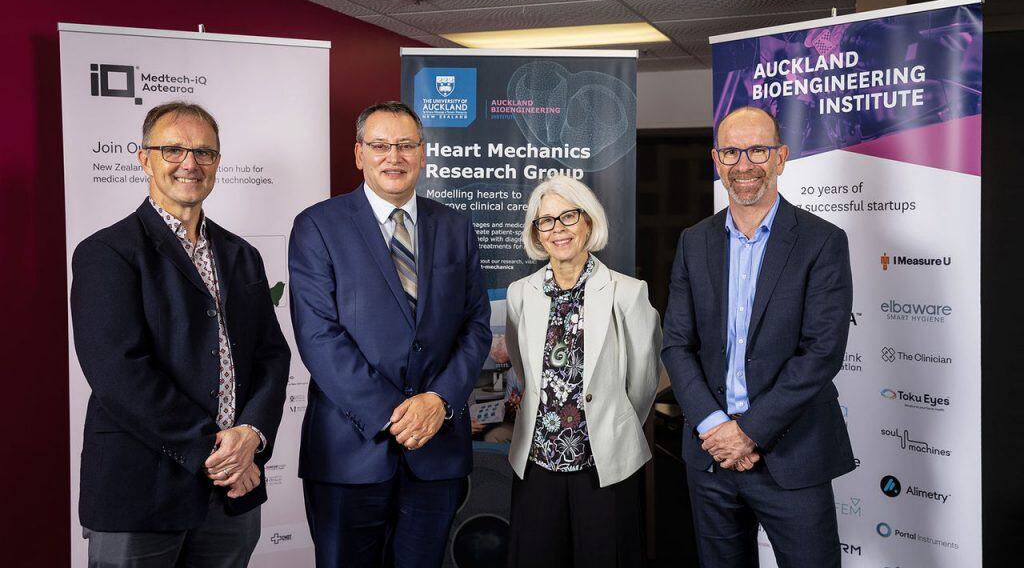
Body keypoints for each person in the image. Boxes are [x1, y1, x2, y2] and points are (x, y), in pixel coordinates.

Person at [70, 101, 291, 567]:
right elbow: (118, 374)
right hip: (142, 490)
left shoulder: (241, 255)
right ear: (144, 159)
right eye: (173, 150)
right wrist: (215, 452)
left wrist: (252, 434)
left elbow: (271, 355)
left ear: (217, 162)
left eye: (204, 152)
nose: (190, 163)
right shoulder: (106, 252)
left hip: (232, 491)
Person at [289, 101, 491, 568]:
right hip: (349, 451)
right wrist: (394, 416)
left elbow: (476, 325)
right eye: (380, 145)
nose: (393, 157)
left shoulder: (456, 227)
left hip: (436, 447)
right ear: (359, 153)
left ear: (423, 154)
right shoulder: (318, 226)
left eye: (405, 145)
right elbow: (319, 335)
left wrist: (438, 401)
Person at [661, 106, 855, 567]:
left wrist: (748, 432)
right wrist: (716, 428)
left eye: (757, 151)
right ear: (716, 160)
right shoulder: (693, 241)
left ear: (781, 157)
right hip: (711, 457)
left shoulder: (822, 241)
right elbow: (677, 344)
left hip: (793, 453)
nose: (743, 164)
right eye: (731, 152)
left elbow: (822, 352)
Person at [504, 175, 662, 568]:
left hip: (603, 464)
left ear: (588, 222)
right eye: (546, 221)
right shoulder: (520, 293)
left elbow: (643, 383)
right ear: (536, 233)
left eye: (568, 216)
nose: (558, 229)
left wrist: (611, 423)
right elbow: (524, 369)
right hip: (537, 461)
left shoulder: (628, 292)